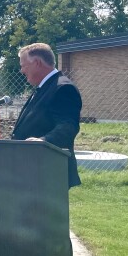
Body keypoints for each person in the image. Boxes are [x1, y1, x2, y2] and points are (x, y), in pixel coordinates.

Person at [12, 43, 83, 188]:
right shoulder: (45, 87)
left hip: (47, 169)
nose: (21, 70)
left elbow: (68, 126)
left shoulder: (63, 88)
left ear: (37, 63)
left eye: (23, 65)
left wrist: (43, 141)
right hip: (32, 168)